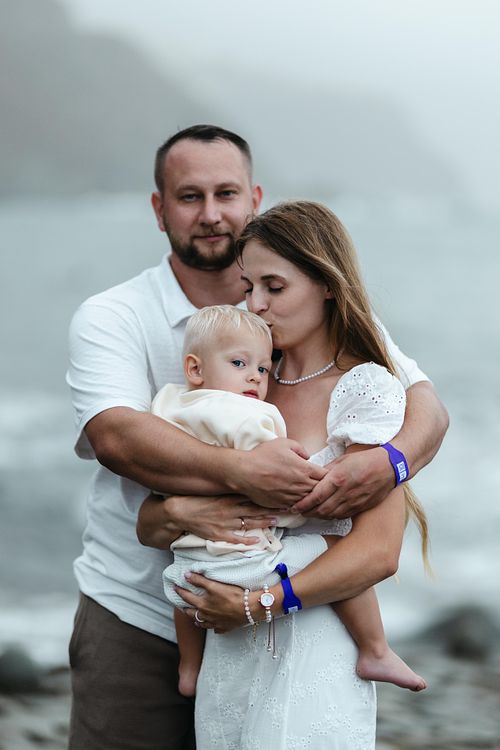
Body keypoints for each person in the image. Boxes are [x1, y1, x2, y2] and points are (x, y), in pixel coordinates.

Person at [67, 124, 448, 750]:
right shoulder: (117, 316)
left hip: (277, 616)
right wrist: (225, 485)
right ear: (159, 209)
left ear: (254, 200)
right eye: (189, 197)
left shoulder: (310, 330)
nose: (211, 214)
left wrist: (392, 462)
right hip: (142, 607)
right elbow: (117, 439)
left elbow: (424, 405)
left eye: (226, 193)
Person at [162, 200, 434, 748]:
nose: (256, 304)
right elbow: (159, 512)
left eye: (275, 287)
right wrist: (178, 515)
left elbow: (379, 553)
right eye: (248, 287)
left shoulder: (366, 387)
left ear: (327, 284)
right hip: (227, 647)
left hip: (312, 641)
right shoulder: (242, 385)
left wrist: (254, 604)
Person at [155, 304, 426, 699]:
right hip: (246, 562)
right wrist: (307, 504)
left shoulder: (168, 407)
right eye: (239, 364)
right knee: (333, 547)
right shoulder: (250, 417)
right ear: (195, 368)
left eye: (263, 369)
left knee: (186, 597)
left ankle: (189, 670)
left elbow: (156, 474)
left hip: (187, 564)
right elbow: (272, 485)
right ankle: (375, 648)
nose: (254, 376)